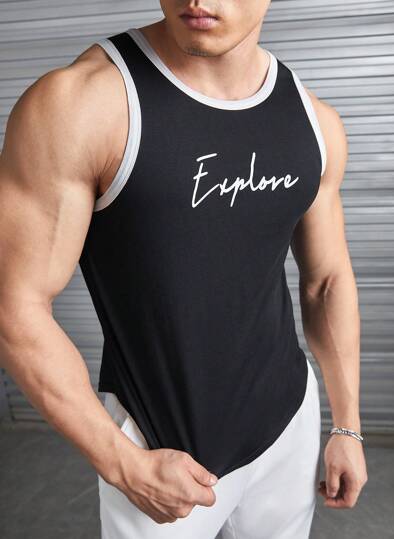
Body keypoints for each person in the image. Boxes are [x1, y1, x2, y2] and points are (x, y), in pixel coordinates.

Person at [0, 1, 368, 538]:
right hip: (156, 450)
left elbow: (326, 281)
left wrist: (347, 426)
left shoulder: (314, 123)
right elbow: (16, 306)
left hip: (287, 425)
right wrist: (122, 463)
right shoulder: (83, 105)